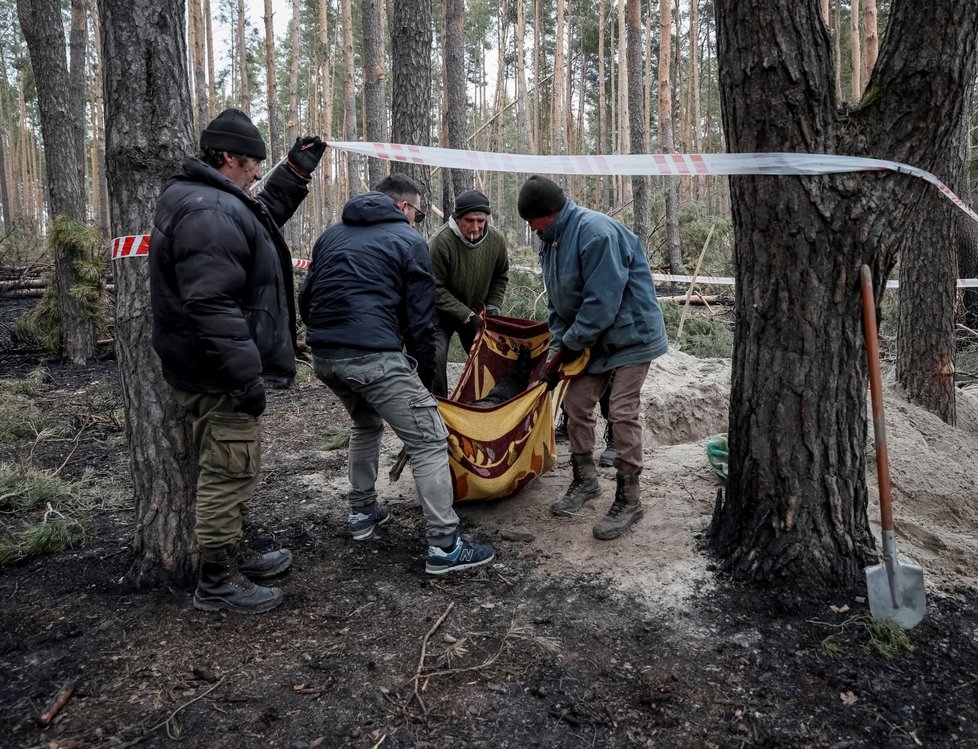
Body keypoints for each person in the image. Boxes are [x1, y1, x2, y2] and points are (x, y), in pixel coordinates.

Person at [150, 108, 326, 614]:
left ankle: (234, 552)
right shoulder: (207, 212)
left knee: (232, 466)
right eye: (252, 163)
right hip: (218, 372)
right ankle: (217, 579)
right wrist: (245, 375)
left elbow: (259, 215)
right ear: (228, 157)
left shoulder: (212, 201)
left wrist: (295, 172)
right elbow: (210, 304)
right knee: (229, 470)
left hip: (208, 367)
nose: (255, 173)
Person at [298, 174, 495, 575]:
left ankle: (362, 513)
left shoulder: (331, 235)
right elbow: (421, 320)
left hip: (325, 355)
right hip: (373, 355)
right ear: (403, 207)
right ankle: (445, 546)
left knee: (366, 423)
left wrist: (324, 338)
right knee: (429, 438)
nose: (417, 221)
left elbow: (306, 296)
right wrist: (423, 375)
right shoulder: (408, 241)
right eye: (418, 213)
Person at [518, 175, 668, 540]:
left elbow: (601, 304)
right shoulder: (549, 241)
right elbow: (558, 304)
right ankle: (585, 481)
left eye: (531, 220)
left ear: (548, 213)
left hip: (631, 335)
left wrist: (572, 343)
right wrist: (556, 354)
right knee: (576, 405)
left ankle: (629, 498)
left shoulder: (595, 234)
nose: (529, 228)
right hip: (592, 339)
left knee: (620, 410)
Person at [428, 189, 510, 396]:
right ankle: (439, 409)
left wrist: (492, 307)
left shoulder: (497, 240)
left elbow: (500, 276)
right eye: (469, 220)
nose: (475, 227)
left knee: (490, 358)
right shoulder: (441, 241)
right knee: (434, 358)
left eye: (480, 221)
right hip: (439, 315)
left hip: (475, 311)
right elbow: (434, 287)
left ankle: (486, 405)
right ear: (458, 218)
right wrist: (465, 314)